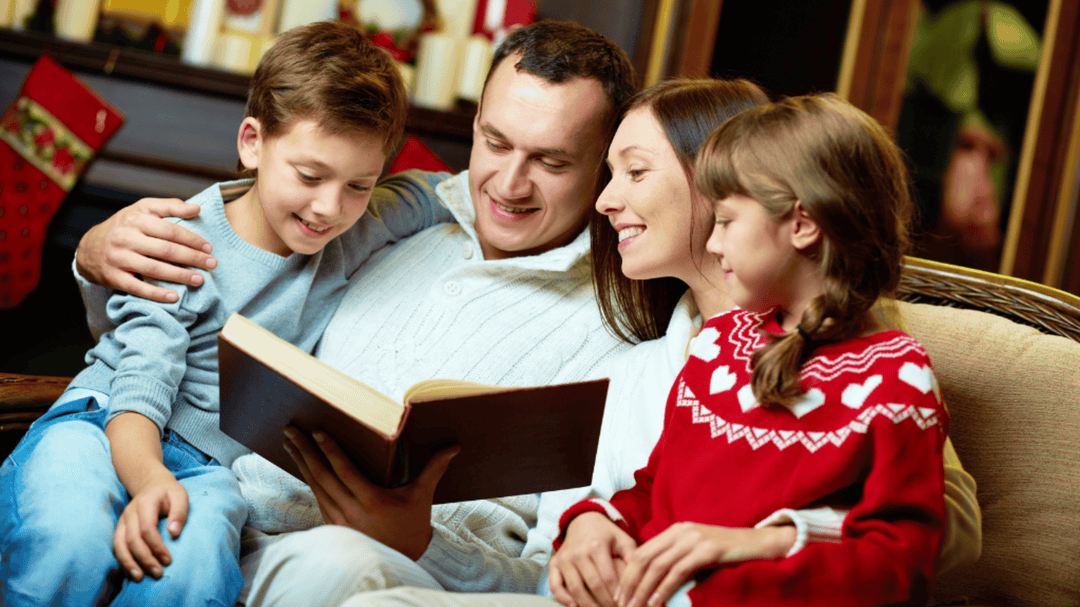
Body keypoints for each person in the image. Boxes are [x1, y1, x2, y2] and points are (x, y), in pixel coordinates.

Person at [72, 37, 979, 607]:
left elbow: (921, 520)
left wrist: (429, 534)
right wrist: (100, 251)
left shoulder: (654, 312)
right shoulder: (391, 213)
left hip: (380, 561)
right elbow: (228, 280)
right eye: (494, 144)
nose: (506, 183)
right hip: (209, 489)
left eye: (557, 162)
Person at [343, 80, 980, 607]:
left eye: (635, 173)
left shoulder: (878, 362)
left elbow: (929, 533)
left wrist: (754, 540)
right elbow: (586, 537)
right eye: (608, 174)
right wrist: (590, 524)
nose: (604, 200)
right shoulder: (666, 362)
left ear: (722, 182)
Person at [0, 20, 451, 607]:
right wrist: (149, 479)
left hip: (211, 467)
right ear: (252, 143)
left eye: (358, 185)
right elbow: (141, 384)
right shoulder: (179, 242)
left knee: (196, 561)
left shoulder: (354, 230)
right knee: (72, 533)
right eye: (310, 176)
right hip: (109, 422)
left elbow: (436, 191)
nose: (329, 208)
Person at [552, 94, 949, 607]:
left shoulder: (896, 375)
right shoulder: (718, 345)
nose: (713, 245)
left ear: (802, 224)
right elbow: (655, 489)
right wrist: (596, 519)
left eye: (726, 221)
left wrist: (750, 554)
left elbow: (899, 562)